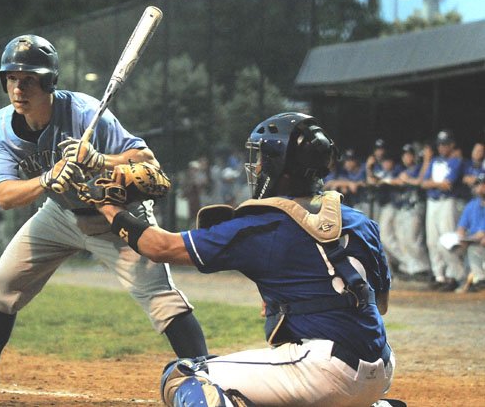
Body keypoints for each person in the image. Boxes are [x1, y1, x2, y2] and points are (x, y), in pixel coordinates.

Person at [0, 34, 208, 406]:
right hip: (60, 214)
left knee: (163, 302)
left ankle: (208, 383)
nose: (18, 88)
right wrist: (46, 180)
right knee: (1, 286)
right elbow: (4, 195)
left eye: (28, 79)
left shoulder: (83, 111)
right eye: (11, 78)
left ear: (48, 82)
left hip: (115, 215)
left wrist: (98, 159)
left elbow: (148, 162)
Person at [91, 112, 395, 407]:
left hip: (324, 372)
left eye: (262, 157)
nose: (258, 165)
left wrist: (104, 205)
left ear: (280, 166)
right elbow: (378, 303)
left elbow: (159, 247)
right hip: (380, 369)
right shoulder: (360, 222)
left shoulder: (261, 225)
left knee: (184, 375)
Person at [420, 130, 466, 291]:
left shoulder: (456, 161)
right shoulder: (434, 161)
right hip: (432, 201)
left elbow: (449, 184)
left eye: (445, 144)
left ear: (451, 145)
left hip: (447, 201)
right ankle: (438, 275)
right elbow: (423, 183)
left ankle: (452, 275)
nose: (441, 147)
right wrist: (436, 184)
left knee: (447, 238)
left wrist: (433, 183)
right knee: (432, 240)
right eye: (439, 144)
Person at [388, 144, 432, 281]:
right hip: (404, 208)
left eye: (409, 155)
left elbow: (420, 181)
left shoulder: (419, 168)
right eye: (405, 155)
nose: (407, 157)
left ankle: (423, 268)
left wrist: (407, 180)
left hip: (416, 207)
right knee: (403, 239)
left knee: (414, 238)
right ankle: (411, 268)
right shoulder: (401, 170)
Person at [455, 172, 485, 292]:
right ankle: (460, 278)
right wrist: (462, 238)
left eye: (483, 184)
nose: (481, 187)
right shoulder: (472, 205)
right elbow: (461, 227)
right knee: (446, 247)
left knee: (474, 249)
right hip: (474, 241)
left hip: (478, 242)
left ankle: (480, 280)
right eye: (478, 184)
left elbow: (482, 234)